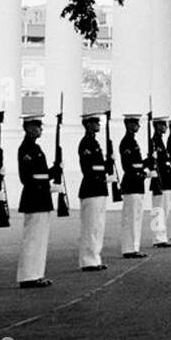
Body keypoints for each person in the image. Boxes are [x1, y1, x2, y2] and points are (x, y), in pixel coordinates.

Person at [17, 115, 54, 288]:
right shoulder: (26, 148)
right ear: (29, 128)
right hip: (34, 197)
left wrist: (54, 171)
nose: (40, 129)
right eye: (37, 126)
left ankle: (36, 274)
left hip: (41, 197)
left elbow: (42, 173)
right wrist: (48, 176)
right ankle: (28, 276)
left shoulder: (35, 147)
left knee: (40, 238)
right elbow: (27, 177)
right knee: (33, 238)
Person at [77, 113, 109, 271]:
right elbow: (88, 168)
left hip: (99, 188)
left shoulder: (94, 142)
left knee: (98, 226)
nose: (99, 124)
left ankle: (95, 257)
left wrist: (107, 164)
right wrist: (103, 168)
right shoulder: (85, 143)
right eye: (95, 122)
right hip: (91, 187)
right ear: (88, 124)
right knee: (90, 226)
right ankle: (87, 260)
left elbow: (99, 166)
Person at [119, 114, 149, 257]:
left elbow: (137, 163)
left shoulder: (133, 142)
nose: (138, 126)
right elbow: (128, 165)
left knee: (136, 217)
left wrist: (145, 163)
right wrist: (142, 168)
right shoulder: (126, 142)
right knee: (131, 218)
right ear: (129, 124)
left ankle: (133, 247)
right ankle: (129, 248)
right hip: (131, 182)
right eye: (135, 123)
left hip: (137, 183)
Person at [149, 116, 171, 248]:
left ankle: (162, 235)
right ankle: (157, 237)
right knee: (158, 209)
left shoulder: (160, 141)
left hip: (164, 179)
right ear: (157, 126)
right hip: (158, 179)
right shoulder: (154, 142)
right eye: (163, 125)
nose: (165, 127)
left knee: (163, 208)